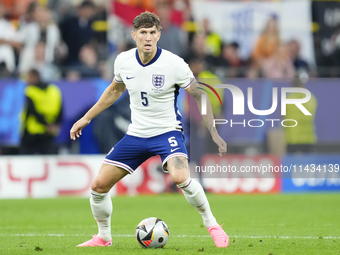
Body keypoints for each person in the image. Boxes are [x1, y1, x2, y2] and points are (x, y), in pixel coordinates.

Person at [70, 11, 228, 248]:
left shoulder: (174, 64)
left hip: (167, 132)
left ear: (159, 35)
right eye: (142, 33)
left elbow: (199, 95)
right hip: (136, 134)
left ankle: (213, 225)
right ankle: (103, 238)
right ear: (134, 35)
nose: (147, 38)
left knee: (181, 177)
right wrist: (86, 117)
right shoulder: (123, 61)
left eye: (152, 32)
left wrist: (214, 132)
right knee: (98, 186)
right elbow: (114, 91)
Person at [20, 69, 63, 154]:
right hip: (50, 132)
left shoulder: (30, 91)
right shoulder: (54, 90)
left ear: (35, 77)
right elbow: (61, 109)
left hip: (32, 132)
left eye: (29, 77)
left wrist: (46, 124)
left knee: (27, 160)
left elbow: (32, 111)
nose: (26, 81)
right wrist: (55, 124)